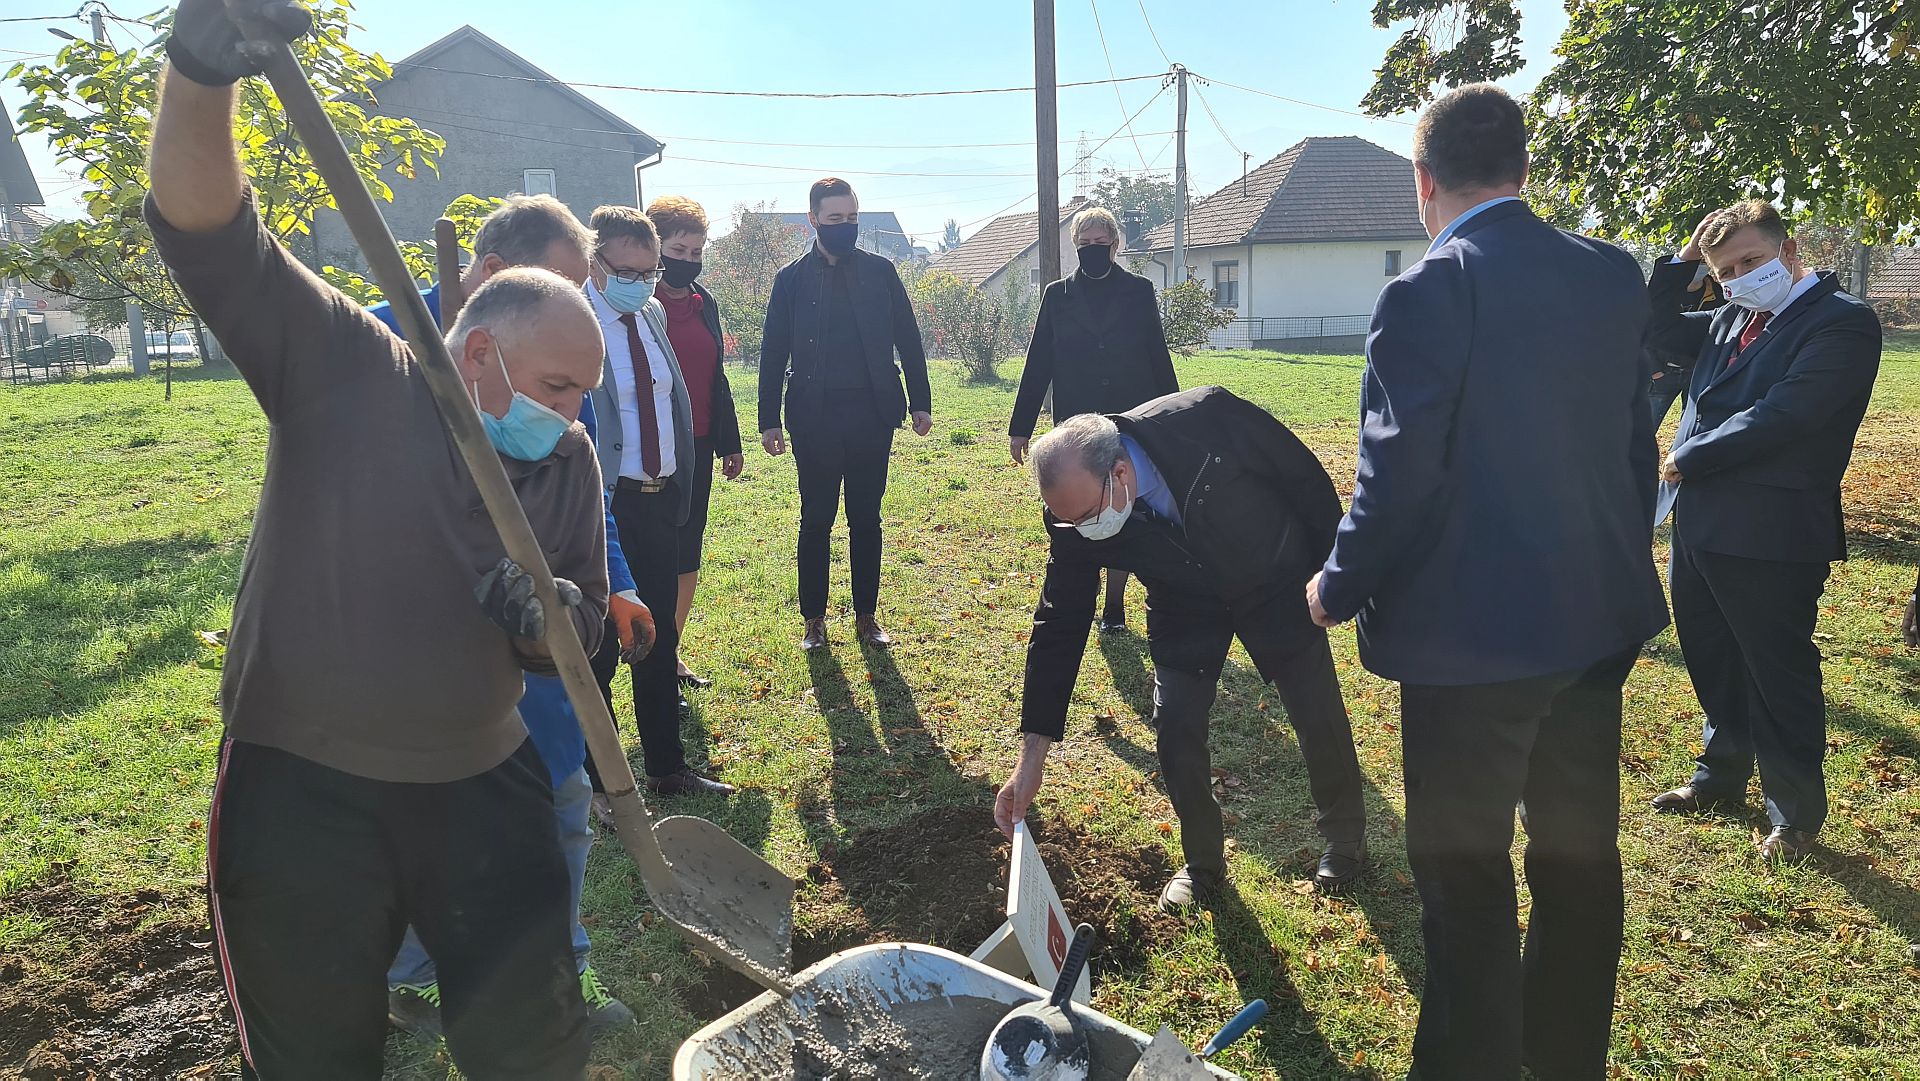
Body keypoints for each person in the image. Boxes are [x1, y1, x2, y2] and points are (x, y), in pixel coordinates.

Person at [154, 3, 609, 1075]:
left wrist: (546, 622)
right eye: (556, 386)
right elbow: (207, 232)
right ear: (479, 352)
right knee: (315, 1057)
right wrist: (202, 71)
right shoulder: (349, 369)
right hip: (301, 788)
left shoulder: (564, 460)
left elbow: (581, 630)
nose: (570, 415)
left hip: (485, 778)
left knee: (533, 1045)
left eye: (583, 394)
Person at [1306, 85, 1668, 1080]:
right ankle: (1564, 1058)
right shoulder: (1609, 273)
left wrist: (1336, 583)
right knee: (1578, 858)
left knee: (1463, 878)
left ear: (1422, 182)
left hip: (1471, 647)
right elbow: (1633, 446)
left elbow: (1396, 476)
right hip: (1595, 620)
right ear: (1523, 168)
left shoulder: (1428, 290)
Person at [366, 196, 643, 1037]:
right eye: (555, 285)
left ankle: (563, 965)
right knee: (421, 831)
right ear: (493, 281)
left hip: (536, 681)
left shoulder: (561, 402)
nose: (573, 309)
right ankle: (415, 974)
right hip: (420, 681)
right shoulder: (386, 351)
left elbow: (584, 508)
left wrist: (592, 594)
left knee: (559, 808)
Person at [993, 393, 1370, 910]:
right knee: (1175, 727)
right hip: (1184, 603)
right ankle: (1203, 864)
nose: (1082, 531)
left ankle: (1346, 837)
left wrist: (1331, 573)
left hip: (1271, 578)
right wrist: (1031, 758)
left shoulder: (1205, 419)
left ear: (1120, 472)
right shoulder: (1073, 517)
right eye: (1069, 522)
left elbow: (1300, 475)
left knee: (1314, 708)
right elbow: (1060, 621)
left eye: (1086, 517)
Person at [1646, 200, 1883, 861]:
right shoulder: (1731, 318)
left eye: (1750, 261)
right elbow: (1654, 328)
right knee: (1712, 655)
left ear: (1790, 250)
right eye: (1725, 271)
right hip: (1699, 521)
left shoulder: (1842, 322)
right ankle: (1719, 775)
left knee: (1776, 671)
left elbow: (1790, 413)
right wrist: (1685, 262)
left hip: (1772, 529)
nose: (1739, 278)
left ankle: (1794, 816)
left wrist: (1689, 456)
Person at [582, 205, 734, 797]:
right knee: (600, 643)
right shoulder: (576, 320)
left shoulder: (651, 315)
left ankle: (668, 768)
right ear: (595, 263)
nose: (642, 283)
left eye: (649, 273)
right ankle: (601, 783)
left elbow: (672, 400)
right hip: (604, 505)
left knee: (659, 635)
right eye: (628, 272)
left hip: (658, 498)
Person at [759, 177, 933, 652]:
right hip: (813, 417)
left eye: (852, 218)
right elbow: (773, 350)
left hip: (872, 414)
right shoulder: (791, 279)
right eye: (835, 218)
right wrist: (768, 418)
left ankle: (866, 617)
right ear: (813, 219)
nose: (845, 226)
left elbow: (909, 338)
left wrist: (920, 400)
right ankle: (814, 621)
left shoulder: (882, 272)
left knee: (866, 518)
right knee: (816, 518)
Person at [1008, 205, 1178, 634]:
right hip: (1076, 422)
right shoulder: (1057, 295)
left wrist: (1172, 418)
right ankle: (1079, 592)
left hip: (1129, 415)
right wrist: (1020, 427)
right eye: (1084, 244)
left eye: (1100, 243)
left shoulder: (1139, 291)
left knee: (1125, 504)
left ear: (1115, 245)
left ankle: (1115, 603)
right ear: (1075, 247)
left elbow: (1157, 355)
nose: (1092, 249)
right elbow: (1038, 363)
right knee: (1080, 506)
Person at [644, 195, 745, 694]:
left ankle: (670, 652)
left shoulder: (706, 303)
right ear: (655, 248)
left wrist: (730, 441)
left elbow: (714, 376)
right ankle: (644, 649)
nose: (688, 260)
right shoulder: (637, 307)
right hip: (650, 449)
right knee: (653, 555)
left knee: (688, 552)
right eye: (678, 251)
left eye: (697, 252)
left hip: (699, 445)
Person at [1648, 266, 1724, 424]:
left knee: (1692, 424)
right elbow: (1643, 329)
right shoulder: (1666, 292)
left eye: (1704, 261)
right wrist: (1654, 369)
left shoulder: (1719, 292)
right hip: (1663, 373)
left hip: (1697, 372)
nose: (1700, 265)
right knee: (1644, 425)